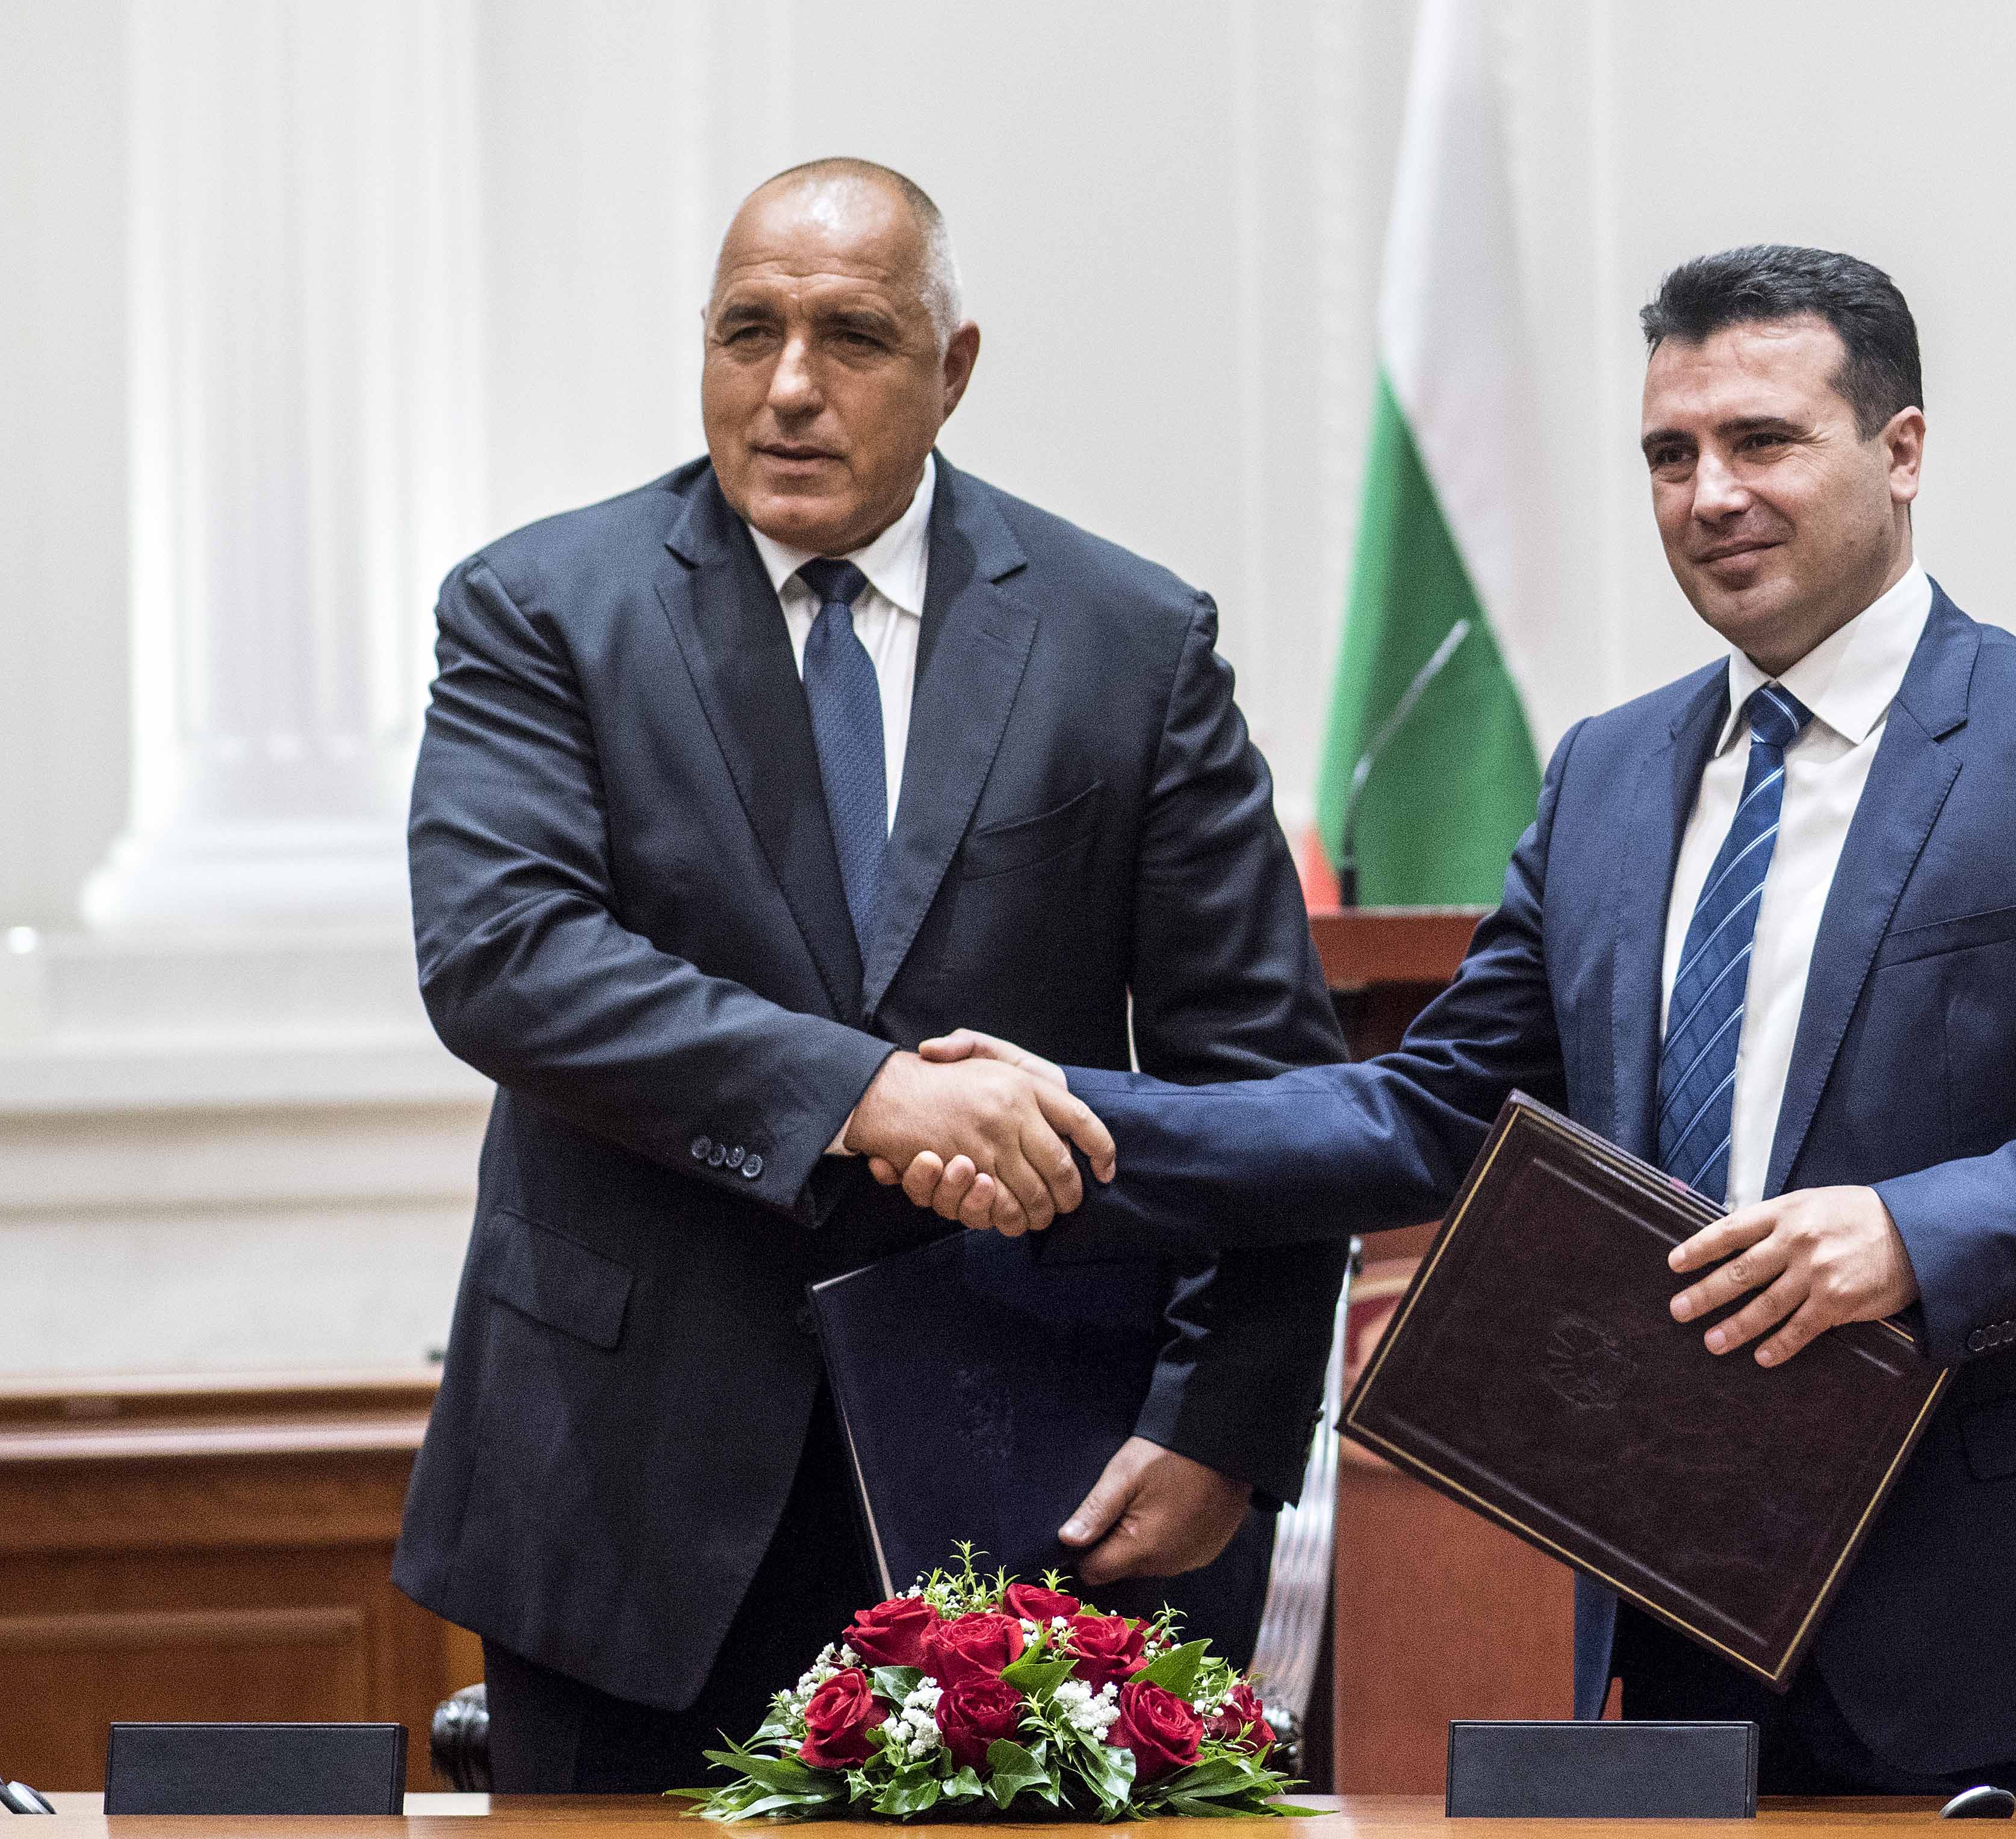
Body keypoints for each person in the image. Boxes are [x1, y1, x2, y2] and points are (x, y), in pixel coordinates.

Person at [893, 245, 2016, 1793]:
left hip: (2009, 1640)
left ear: (1901, 451)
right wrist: (1076, 1116)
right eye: (1669, 454)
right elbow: (1427, 1113)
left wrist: (1917, 1234)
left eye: (1761, 441)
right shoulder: (1606, 775)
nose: (1710, 495)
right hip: (1684, 1609)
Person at [395, 158, 1347, 1792]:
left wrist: (1225, 1426)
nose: (786, 389)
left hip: (1026, 1495)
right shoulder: (542, 609)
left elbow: (1259, 1071)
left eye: (851, 338)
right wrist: (867, 1094)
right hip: (624, 1488)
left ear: (952, 368)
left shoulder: (1128, 641)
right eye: (745, 331)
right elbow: (505, 958)